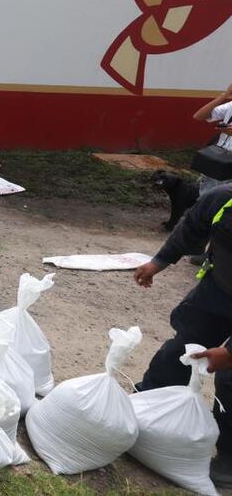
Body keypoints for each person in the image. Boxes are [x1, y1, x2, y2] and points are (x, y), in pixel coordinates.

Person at [132, 184, 232, 486]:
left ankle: (230, 454)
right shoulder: (223, 198)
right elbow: (191, 226)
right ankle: (144, 406)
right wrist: (158, 261)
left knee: (231, 379)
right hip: (218, 290)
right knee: (182, 349)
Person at [193, 82, 232, 193]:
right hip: (218, 157)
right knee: (205, 196)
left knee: (224, 199)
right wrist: (224, 96)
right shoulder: (230, 106)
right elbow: (199, 116)